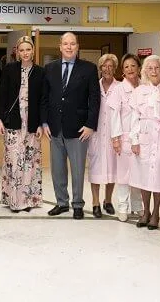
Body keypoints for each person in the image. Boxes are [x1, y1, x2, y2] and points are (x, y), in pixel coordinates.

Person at [42, 32, 100, 220]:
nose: (69, 47)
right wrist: (44, 122)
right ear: (60, 46)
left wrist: (91, 124)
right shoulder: (49, 68)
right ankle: (61, 203)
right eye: (65, 44)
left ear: (77, 46)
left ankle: (77, 204)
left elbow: (94, 99)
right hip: (55, 128)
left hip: (78, 129)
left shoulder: (89, 69)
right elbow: (45, 98)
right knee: (57, 169)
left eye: (72, 44)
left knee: (77, 169)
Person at [0, 36, 44, 213]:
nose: (25, 53)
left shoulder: (40, 72)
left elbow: (42, 100)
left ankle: (29, 199)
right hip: (13, 122)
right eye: (21, 50)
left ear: (33, 51)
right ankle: (14, 200)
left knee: (30, 161)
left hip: (32, 123)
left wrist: (40, 124)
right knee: (14, 161)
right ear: (17, 51)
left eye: (28, 50)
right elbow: (1, 95)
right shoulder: (9, 69)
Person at [129, 55, 160, 230]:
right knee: (143, 176)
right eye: (150, 68)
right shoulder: (139, 92)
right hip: (144, 138)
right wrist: (134, 140)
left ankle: (156, 212)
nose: (154, 71)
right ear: (145, 71)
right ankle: (146, 211)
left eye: (157, 68)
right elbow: (134, 117)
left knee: (158, 176)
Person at [110, 54, 144, 222]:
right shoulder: (118, 89)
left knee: (139, 174)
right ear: (123, 71)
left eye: (133, 66)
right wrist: (115, 139)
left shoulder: (146, 87)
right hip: (124, 137)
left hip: (142, 138)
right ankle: (122, 207)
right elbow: (114, 115)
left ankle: (137, 207)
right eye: (126, 67)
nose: (130, 69)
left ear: (139, 67)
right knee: (123, 175)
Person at [87, 54, 119, 218]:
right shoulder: (93, 87)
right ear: (100, 69)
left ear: (115, 68)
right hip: (96, 134)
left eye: (110, 66)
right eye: (104, 66)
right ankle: (95, 202)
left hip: (114, 135)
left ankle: (108, 200)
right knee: (95, 168)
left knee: (113, 168)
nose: (107, 69)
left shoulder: (119, 87)